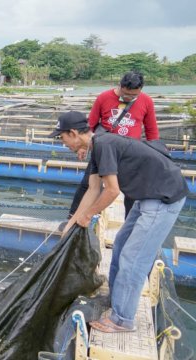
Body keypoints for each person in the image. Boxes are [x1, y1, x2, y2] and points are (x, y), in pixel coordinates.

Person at [54, 111, 187, 333]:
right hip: (147, 195)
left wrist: (89, 215)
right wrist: (72, 222)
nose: (63, 143)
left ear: (74, 133)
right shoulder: (97, 147)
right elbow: (93, 190)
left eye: (62, 137)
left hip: (163, 198)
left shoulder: (104, 144)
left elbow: (112, 191)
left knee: (133, 259)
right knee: (121, 245)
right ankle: (116, 298)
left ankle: (123, 319)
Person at [69, 71, 159, 218]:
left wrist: (156, 153)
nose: (129, 98)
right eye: (126, 94)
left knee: (132, 191)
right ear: (120, 86)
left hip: (130, 154)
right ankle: (73, 216)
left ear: (141, 90)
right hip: (103, 150)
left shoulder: (146, 101)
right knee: (88, 184)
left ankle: (129, 224)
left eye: (133, 96)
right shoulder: (104, 97)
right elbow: (90, 124)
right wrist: (82, 146)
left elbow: (152, 130)